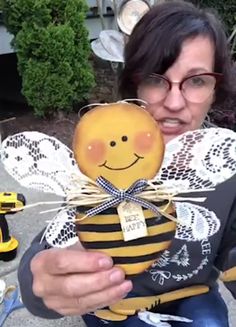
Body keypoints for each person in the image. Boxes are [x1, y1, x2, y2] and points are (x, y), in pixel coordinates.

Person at [17, 1, 236, 326]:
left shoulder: (222, 165)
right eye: (156, 79)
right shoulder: (104, 164)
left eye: (196, 81)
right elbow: (48, 253)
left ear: (215, 90)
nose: (174, 103)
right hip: (113, 306)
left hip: (193, 297)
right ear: (135, 84)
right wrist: (40, 285)